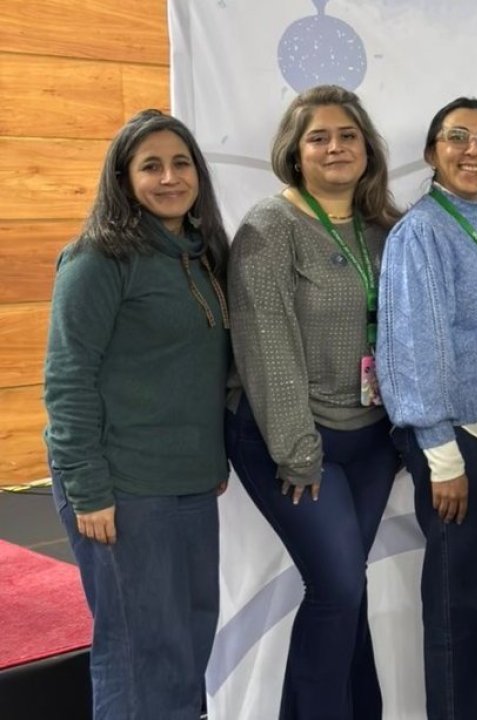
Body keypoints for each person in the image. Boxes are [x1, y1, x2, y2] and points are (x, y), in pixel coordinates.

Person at [43, 109, 231, 718]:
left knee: (190, 640)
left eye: (181, 163)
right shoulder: (97, 259)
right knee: (138, 650)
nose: (169, 177)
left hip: (189, 481)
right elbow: (67, 379)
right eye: (151, 166)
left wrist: (211, 460)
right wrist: (88, 488)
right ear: (123, 179)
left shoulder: (202, 254)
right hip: (121, 485)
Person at [226, 85, 401, 719]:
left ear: (367, 148)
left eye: (347, 135)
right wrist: (298, 451)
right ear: (294, 152)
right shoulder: (269, 229)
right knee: (337, 588)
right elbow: (265, 345)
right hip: (294, 438)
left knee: (349, 589)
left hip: (372, 439)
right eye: (318, 137)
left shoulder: (383, 228)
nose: (335, 147)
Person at [376, 97, 477, 720]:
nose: (474, 150)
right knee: (458, 600)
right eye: (458, 137)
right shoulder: (421, 232)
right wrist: (441, 453)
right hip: (458, 441)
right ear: (431, 151)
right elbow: (414, 344)